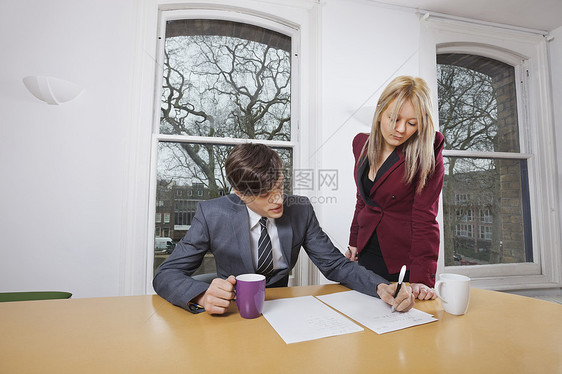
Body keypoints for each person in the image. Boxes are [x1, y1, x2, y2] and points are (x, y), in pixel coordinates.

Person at [153, 143, 415, 315]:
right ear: (239, 193)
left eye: (279, 186)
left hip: (282, 311)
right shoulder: (211, 214)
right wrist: (201, 294)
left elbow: (336, 264)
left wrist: (381, 286)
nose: (278, 199)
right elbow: (166, 274)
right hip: (234, 314)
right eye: (266, 194)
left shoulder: (299, 209)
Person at [345, 76, 444, 300]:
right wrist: (354, 240)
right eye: (394, 118)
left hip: (402, 258)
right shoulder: (361, 144)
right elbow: (362, 198)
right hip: (366, 249)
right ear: (380, 111)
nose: (400, 129)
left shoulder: (427, 155)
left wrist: (422, 278)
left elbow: (425, 217)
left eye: (412, 123)